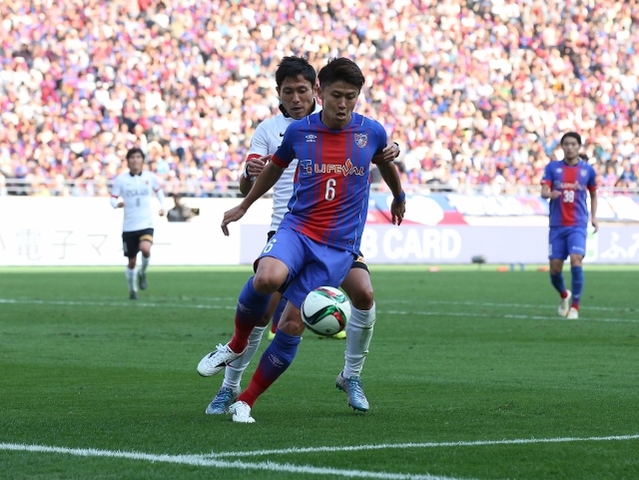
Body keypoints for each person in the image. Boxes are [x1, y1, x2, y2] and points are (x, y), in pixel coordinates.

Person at [196, 57, 405, 423]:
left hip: (338, 245)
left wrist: (399, 196)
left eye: (351, 97)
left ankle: (247, 400)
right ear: (322, 93)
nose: (343, 104)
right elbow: (272, 169)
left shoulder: (370, 132)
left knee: (295, 322)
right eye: (337, 95)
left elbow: (385, 160)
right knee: (266, 280)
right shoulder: (295, 132)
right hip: (295, 229)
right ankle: (234, 348)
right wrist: (244, 205)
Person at [541, 132, 598, 319]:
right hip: (557, 225)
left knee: (576, 260)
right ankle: (564, 294)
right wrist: (550, 194)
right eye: (566, 144)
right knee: (554, 269)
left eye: (573, 144)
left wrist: (594, 217)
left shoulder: (588, 171)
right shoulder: (552, 167)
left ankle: (575, 308)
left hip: (577, 224)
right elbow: (543, 191)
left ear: (579, 146)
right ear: (562, 146)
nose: (570, 147)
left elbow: (594, 194)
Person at [110, 147, 166, 299]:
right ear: (128, 161)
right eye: (132, 157)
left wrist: (163, 207)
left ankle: (143, 272)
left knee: (146, 249)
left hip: (146, 223)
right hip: (129, 225)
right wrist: (117, 204)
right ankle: (133, 290)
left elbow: (159, 192)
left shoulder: (150, 177)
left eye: (138, 157)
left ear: (142, 160)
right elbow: (112, 199)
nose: (135, 160)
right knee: (132, 261)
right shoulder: (121, 180)